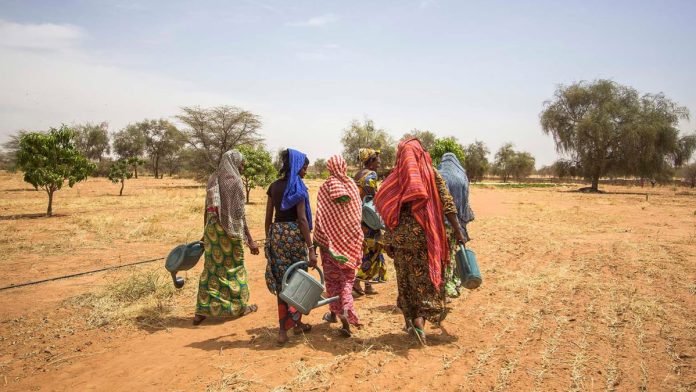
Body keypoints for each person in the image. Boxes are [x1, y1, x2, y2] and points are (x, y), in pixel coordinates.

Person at [375, 139, 466, 345]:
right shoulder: (432, 173)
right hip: (426, 237)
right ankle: (419, 323)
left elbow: (386, 206)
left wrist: (388, 239)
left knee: (406, 280)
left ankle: (411, 321)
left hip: (399, 240)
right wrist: (458, 231)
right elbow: (448, 203)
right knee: (423, 282)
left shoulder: (395, 176)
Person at [194, 150, 260, 325]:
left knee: (211, 270)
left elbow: (206, 209)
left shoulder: (213, 179)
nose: (243, 167)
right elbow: (240, 214)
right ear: (235, 162)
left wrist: (205, 234)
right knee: (235, 269)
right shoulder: (236, 183)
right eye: (242, 163)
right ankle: (240, 307)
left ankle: (202, 310)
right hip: (231, 233)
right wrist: (250, 240)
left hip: (213, 232)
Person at [264, 148, 316, 345]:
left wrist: (269, 241)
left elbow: (268, 218)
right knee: (297, 280)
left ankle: (282, 331)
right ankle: (296, 324)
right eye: (304, 167)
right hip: (294, 235)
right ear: (296, 166)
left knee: (282, 282)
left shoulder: (273, 186)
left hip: (276, 234)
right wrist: (311, 248)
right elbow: (302, 220)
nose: (305, 171)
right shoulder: (298, 188)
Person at [314, 155, 364, 337]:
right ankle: (343, 312)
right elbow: (357, 216)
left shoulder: (324, 188)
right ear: (343, 166)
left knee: (333, 282)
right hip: (351, 244)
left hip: (329, 248)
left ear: (329, 168)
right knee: (347, 281)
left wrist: (317, 240)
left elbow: (320, 218)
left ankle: (343, 319)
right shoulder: (352, 185)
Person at [438, 152, 475, 298]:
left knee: (441, 254)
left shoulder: (439, 175)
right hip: (455, 224)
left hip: (439, 225)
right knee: (452, 253)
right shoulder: (462, 176)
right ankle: (451, 284)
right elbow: (465, 202)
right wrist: (460, 226)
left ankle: (441, 283)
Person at [353, 148, 386, 296]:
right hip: (369, 217)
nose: (379, 162)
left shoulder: (358, 174)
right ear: (371, 160)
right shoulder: (371, 175)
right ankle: (356, 281)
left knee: (367, 249)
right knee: (373, 248)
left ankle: (367, 285)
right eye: (377, 159)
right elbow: (374, 196)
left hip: (358, 215)